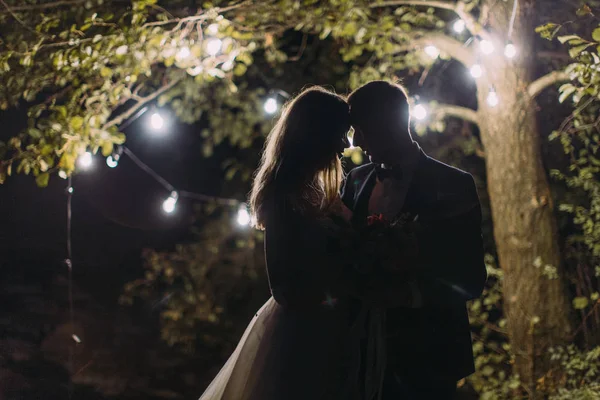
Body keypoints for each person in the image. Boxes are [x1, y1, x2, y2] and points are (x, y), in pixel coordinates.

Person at [198, 86, 356, 400]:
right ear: (316, 135)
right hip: (303, 335)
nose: (346, 144)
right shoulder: (285, 198)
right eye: (340, 134)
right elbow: (284, 286)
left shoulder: (322, 194)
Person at [342, 80, 487, 399]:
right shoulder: (354, 182)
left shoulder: (452, 184)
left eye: (360, 128)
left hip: (429, 359)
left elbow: (471, 277)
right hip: (361, 357)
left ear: (387, 123)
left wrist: (409, 295)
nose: (355, 141)